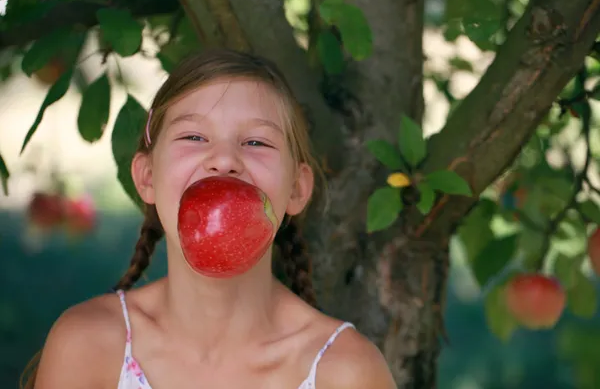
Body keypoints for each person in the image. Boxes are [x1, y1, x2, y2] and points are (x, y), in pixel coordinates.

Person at [23, 49, 397, 388]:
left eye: (256, 142)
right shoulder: (89, 345)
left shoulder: (346, 372)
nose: (224, 160)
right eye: (194, 137)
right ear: (147, 178)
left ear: (297, 189)